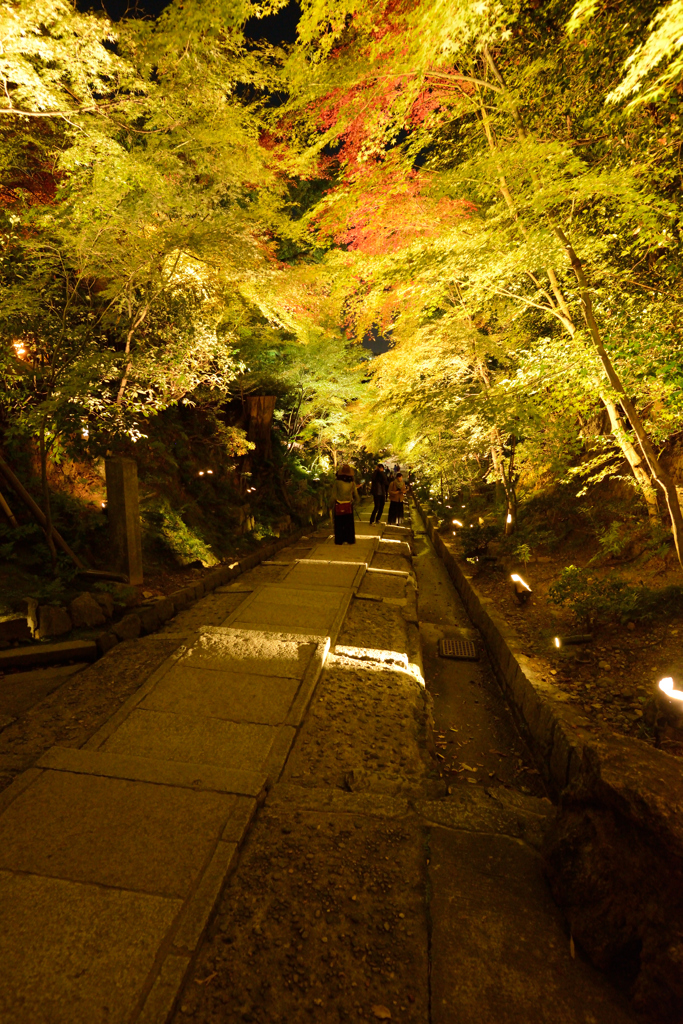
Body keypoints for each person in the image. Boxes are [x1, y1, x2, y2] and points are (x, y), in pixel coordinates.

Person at [329, 463, 359, 544]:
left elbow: (333, 495)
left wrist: (330, 505)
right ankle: (349, 539)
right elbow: (356, 496)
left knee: (339, 524)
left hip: (338, 505)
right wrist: (356, 503)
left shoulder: (337, 483)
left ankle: (339, 540)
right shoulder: (352, 483)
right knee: (349, 524)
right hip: (348, 505)